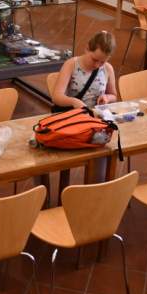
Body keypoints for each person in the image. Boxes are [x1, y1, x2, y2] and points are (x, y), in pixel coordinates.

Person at [51, 30, 117, 183]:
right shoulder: (71, 65)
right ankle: (65, 186)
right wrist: (74, 102)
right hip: (73, 120)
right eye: (95, 59)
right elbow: (57, 96)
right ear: (87, 48)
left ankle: (96, 187)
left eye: (102, 62)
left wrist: (106, 98)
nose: (97, 65)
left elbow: (114, 95)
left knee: (103, 152)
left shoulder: (107, 69)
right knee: (69, 154)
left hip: (94, 122)